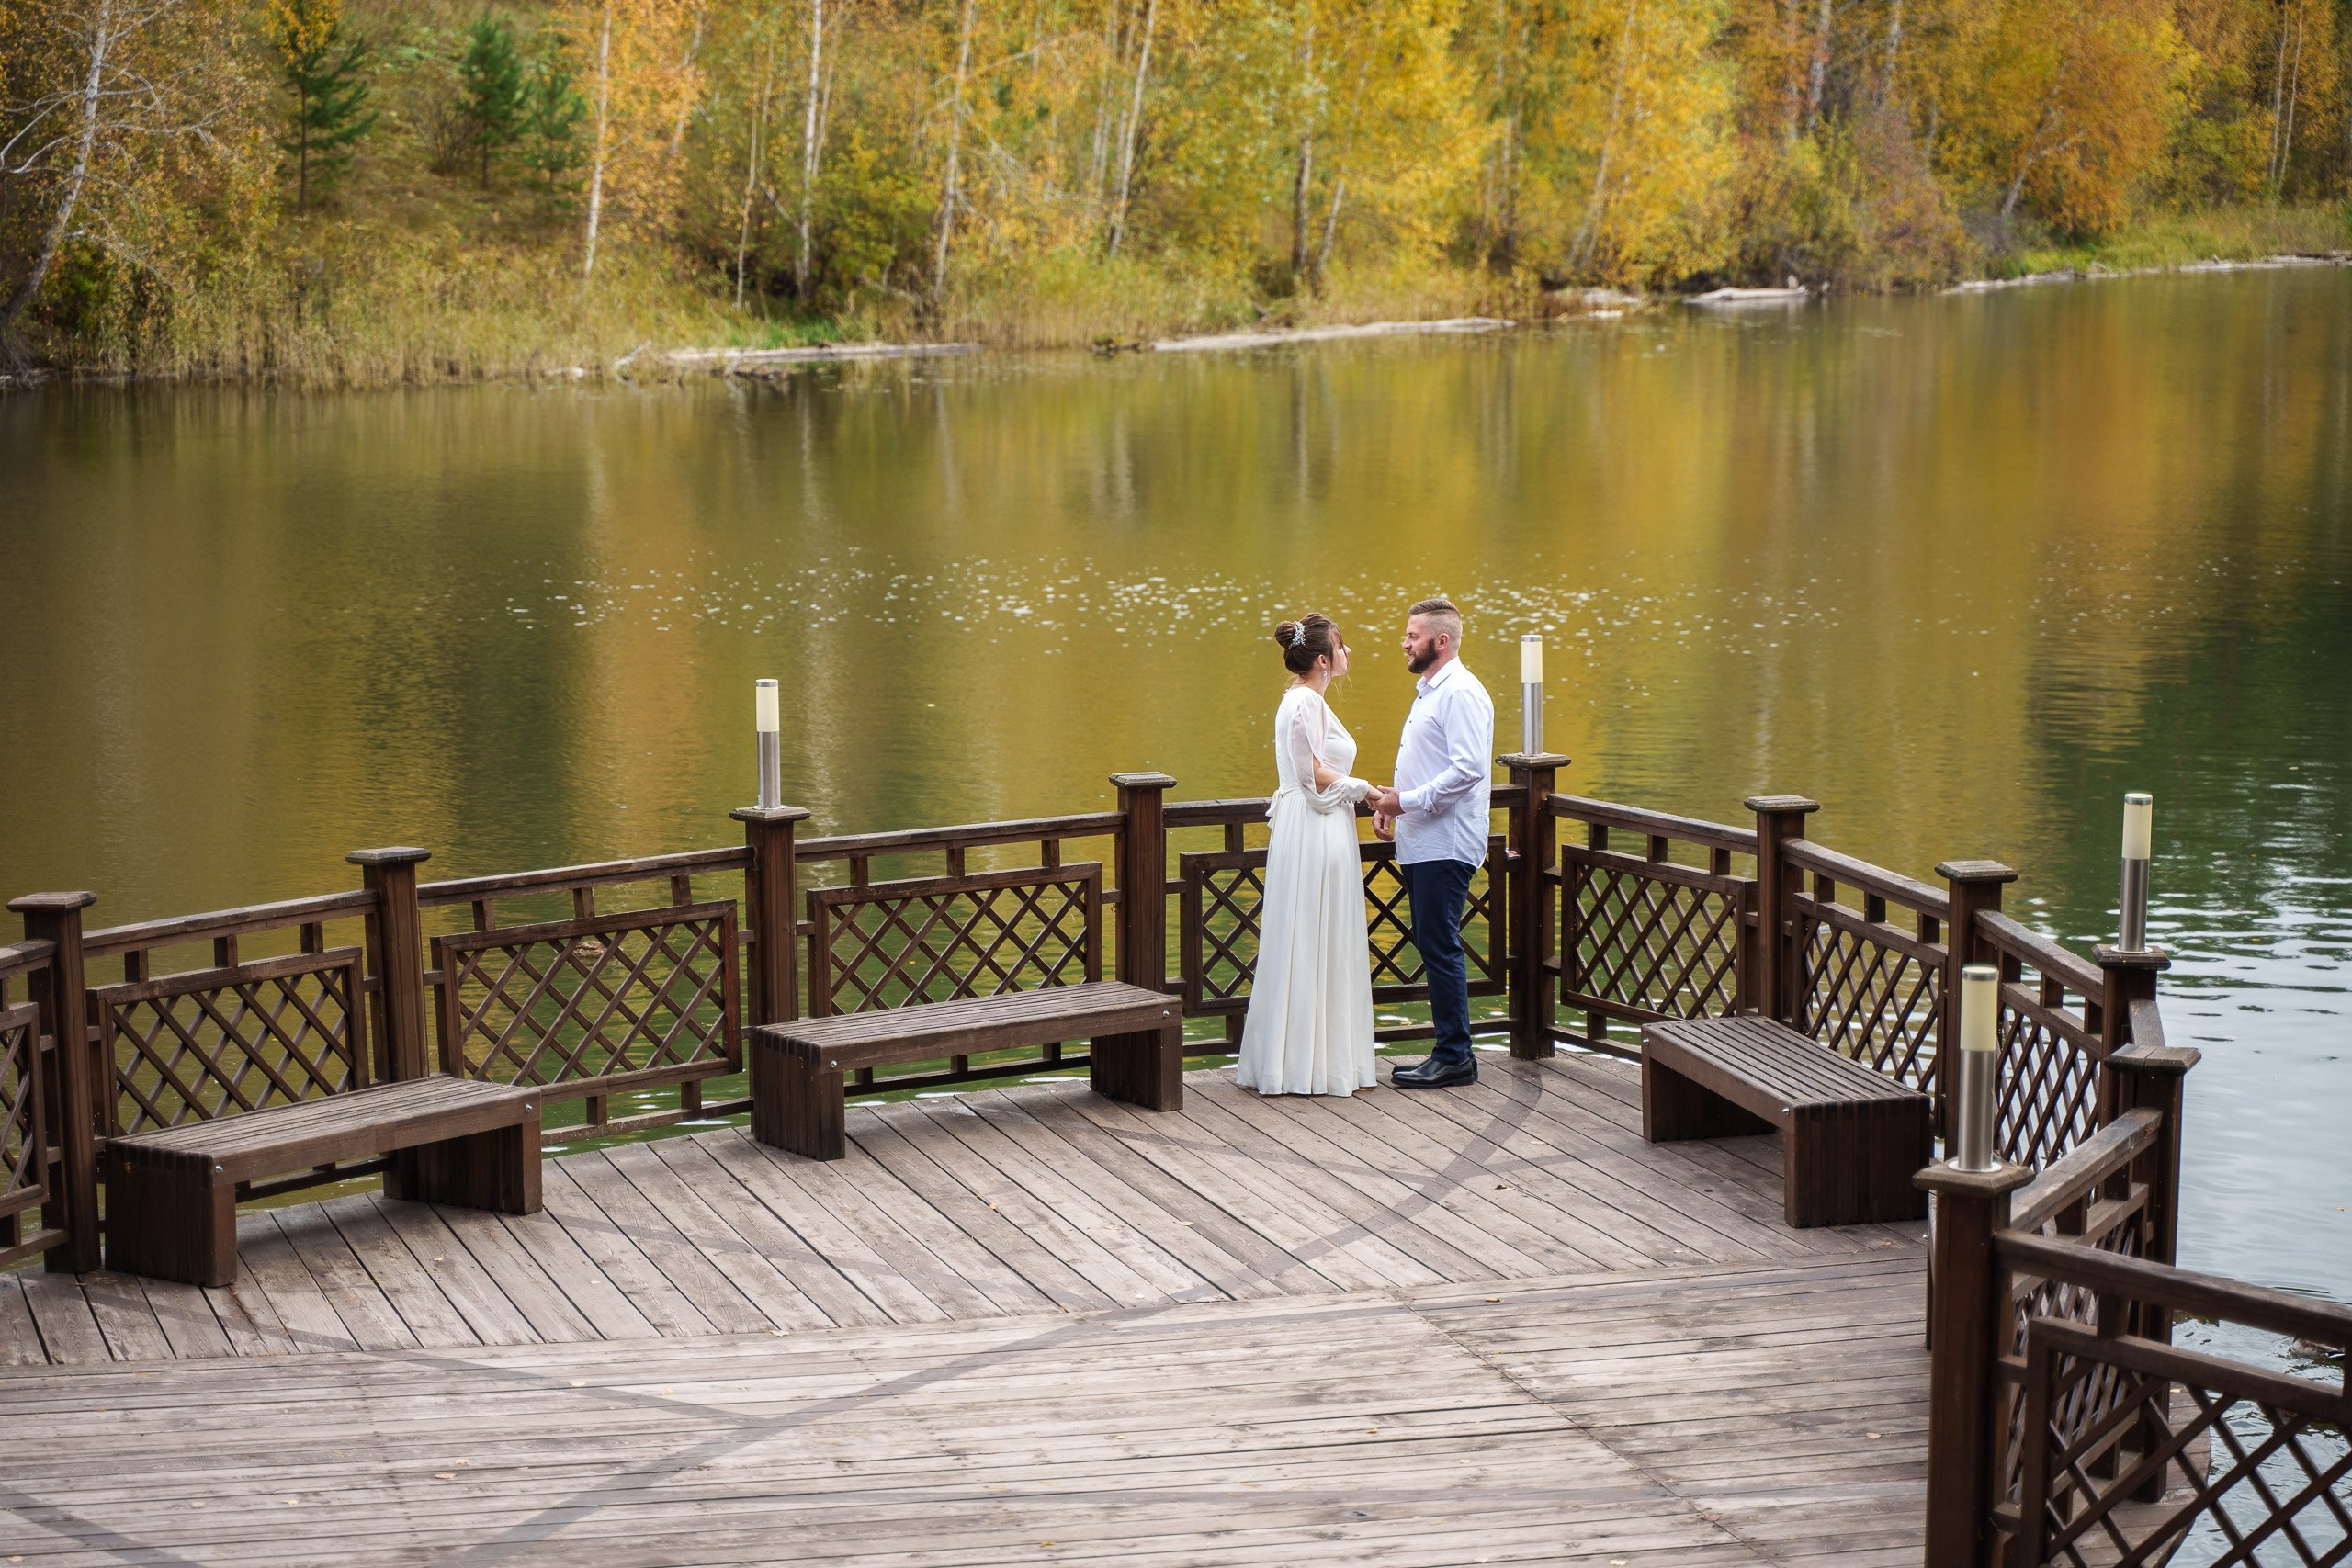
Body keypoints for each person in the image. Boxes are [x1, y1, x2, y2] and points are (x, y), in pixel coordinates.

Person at [1235, 614, 1379, 1097]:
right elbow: (1310, 773)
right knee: (1310, 931)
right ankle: (1303, 1064)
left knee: (1319, 932)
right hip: (1313, 827)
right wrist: (1364, 789)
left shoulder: (1305, 701)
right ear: (1323, 660)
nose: (1348, 654)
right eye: (1343, 646)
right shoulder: (1303, 703)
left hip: (1320, 824)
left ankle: (1318, 1058)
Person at [1366, 597, 1495, 1089]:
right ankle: (1450, 1050)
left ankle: (1455, 1054)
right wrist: (1392, 806)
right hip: (1424, 837)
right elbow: (1433, 767)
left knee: (1439, 943)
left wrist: (1408, 802)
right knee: (1432, 940)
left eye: (1413, 635)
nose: (1405, 641)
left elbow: (1468, 771)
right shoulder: (1431, 691)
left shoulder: (1460, 692)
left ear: (1441, 641)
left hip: (1446, 842)